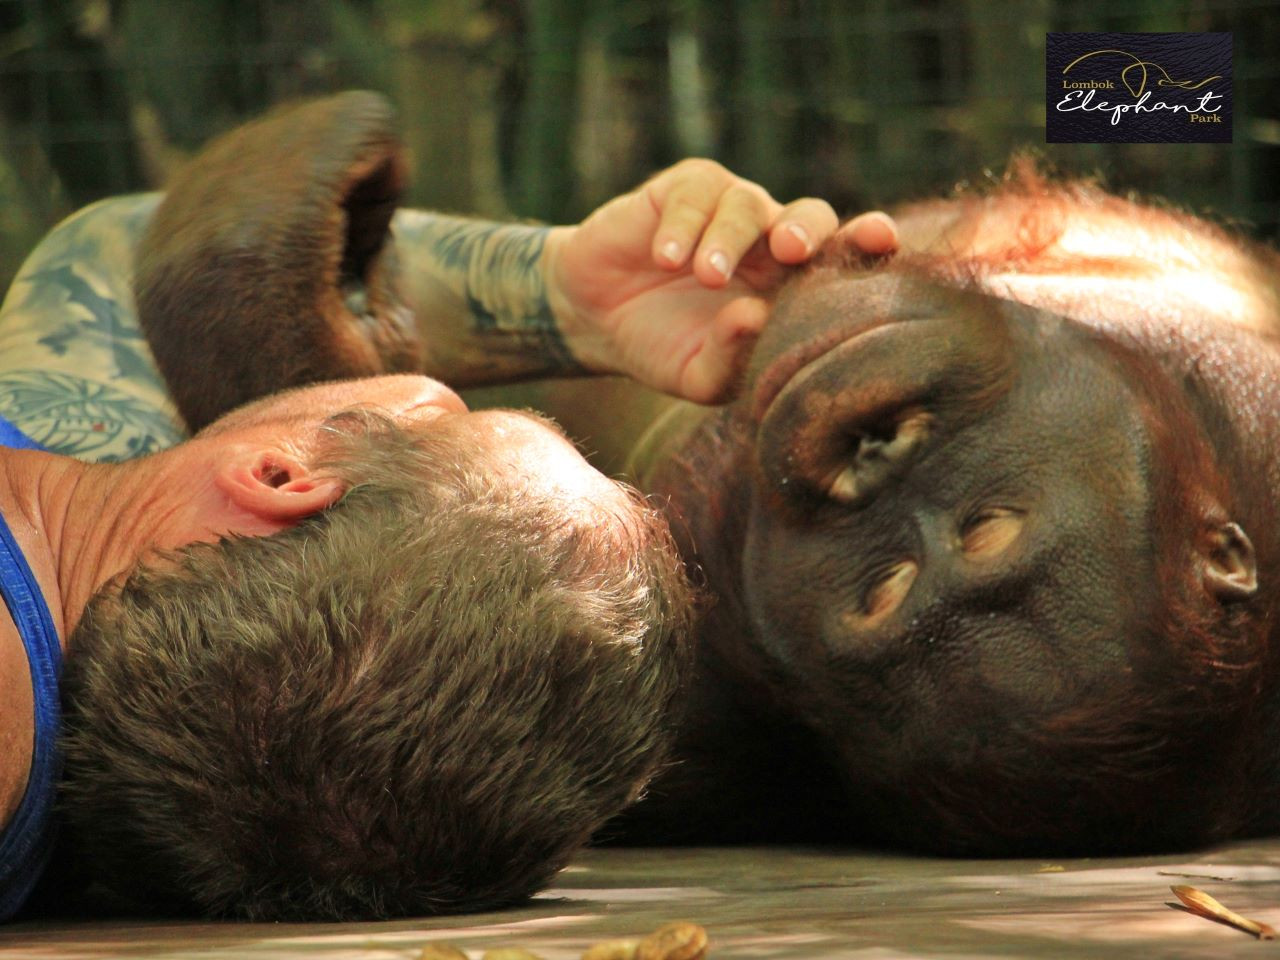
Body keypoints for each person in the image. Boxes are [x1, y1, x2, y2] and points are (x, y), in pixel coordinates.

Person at [0, 95, 899, 921]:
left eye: (456, 417)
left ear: (279, 479)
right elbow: (136, 262)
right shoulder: (83, 521)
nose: (434, 382)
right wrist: (569, 292)